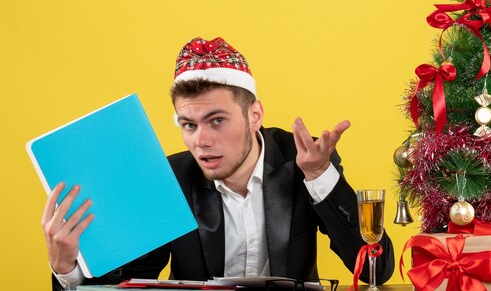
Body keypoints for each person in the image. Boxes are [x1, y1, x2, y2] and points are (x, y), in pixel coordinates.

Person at [42, 37, 395, 290]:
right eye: (189, 125)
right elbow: (126, 283)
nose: (201, 140)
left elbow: (377, 271)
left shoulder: (304, 162)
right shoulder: (172, 178)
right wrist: (66, 267)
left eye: (217, 121)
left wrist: (320, 177)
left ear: (254, 115)